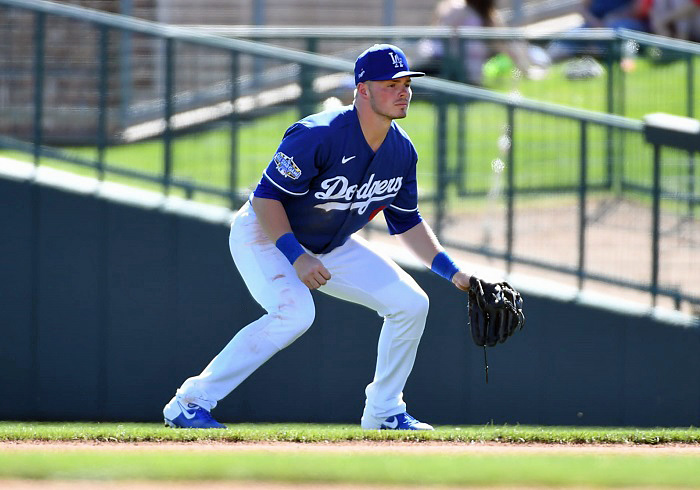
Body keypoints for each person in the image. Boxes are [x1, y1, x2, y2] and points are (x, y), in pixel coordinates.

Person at [162, 44, 477, 430]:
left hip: (329, 243)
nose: (403, 91)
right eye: (390, 83)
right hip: (264, 234)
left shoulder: (402, 150)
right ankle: (189, 403)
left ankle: (383, 411)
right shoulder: (318, 134)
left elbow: (406, 221)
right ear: (362, 90)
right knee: (295, 313)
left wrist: (454, 273)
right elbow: (265, 199)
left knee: (411, 304)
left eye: (406, 83)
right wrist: (296, 256)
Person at [416, 0, 550, 85]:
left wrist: (527, 68)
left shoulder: (487, 15)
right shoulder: (455, 7)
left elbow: (507, 42)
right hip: (440, 64)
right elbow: (437, 36)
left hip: (464, 75)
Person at [547, 0, 651, 61]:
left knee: (619, 36)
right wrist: (596, 23)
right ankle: (544, 61)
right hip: (594, 25)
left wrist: (610, 20)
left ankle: (592, 54)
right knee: (569, 37)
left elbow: (638, 9)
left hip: (624, 25)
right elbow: (581, 8)